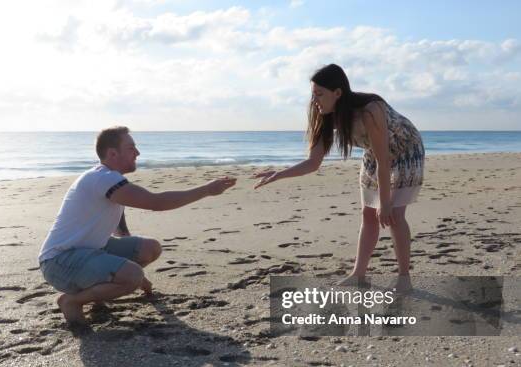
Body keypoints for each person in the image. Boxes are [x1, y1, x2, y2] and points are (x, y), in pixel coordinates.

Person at [38, 126, 236, 325]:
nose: (138, 153)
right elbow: (156, 203)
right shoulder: (104, 178)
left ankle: (97, 291)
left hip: (89, 251)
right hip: (60, 262)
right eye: (131, 148)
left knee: (149, 248)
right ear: (113, 153)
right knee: (132, 275)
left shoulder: (109, 179)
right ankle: (72, 301)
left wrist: (128, 269)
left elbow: (121, 230)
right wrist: (207, 190)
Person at [254, 64, 424, 291]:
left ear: (338, 93)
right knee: (368, 214)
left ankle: (404, 278)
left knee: (393, 214)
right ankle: (358, 275)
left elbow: (386, 162)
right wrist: (279, 174)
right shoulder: (323, 114)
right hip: (374, 153)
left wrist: (385, 203)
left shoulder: (370, 110)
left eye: (319, 94)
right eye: (313, 94)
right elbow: (313, 163)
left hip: (404, 149)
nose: (315, 100)